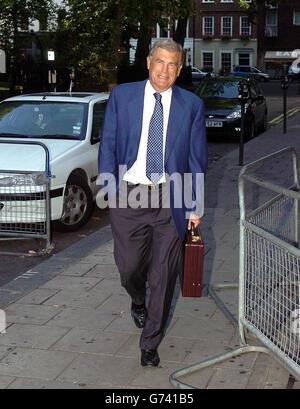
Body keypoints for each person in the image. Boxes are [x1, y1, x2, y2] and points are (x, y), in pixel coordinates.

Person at [98, 39, 207, 367]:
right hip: (128, 195)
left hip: (169, 198)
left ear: (180, 68)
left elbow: (197, 159)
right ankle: (137, 299)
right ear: (148, 62)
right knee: (129, 267)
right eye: (160, 62)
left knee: (163, 275)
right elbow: (109, 145)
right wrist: (109, 191)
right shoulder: (122, 96)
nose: (165, 70)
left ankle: (150, 343)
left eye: (173, 65)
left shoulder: (191, 105)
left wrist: (195, 206)